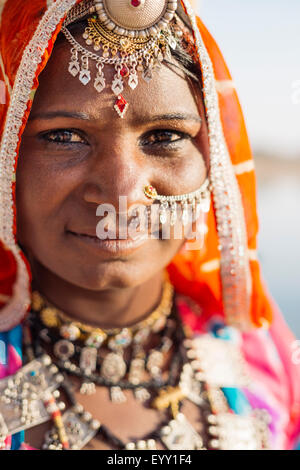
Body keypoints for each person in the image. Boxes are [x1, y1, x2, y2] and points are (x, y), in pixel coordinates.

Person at [0, 0, 299, 451]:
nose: (121, 191)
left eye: (164, 137)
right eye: (65, 136)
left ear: (210, 158)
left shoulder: (262, 349)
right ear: (8, 158)